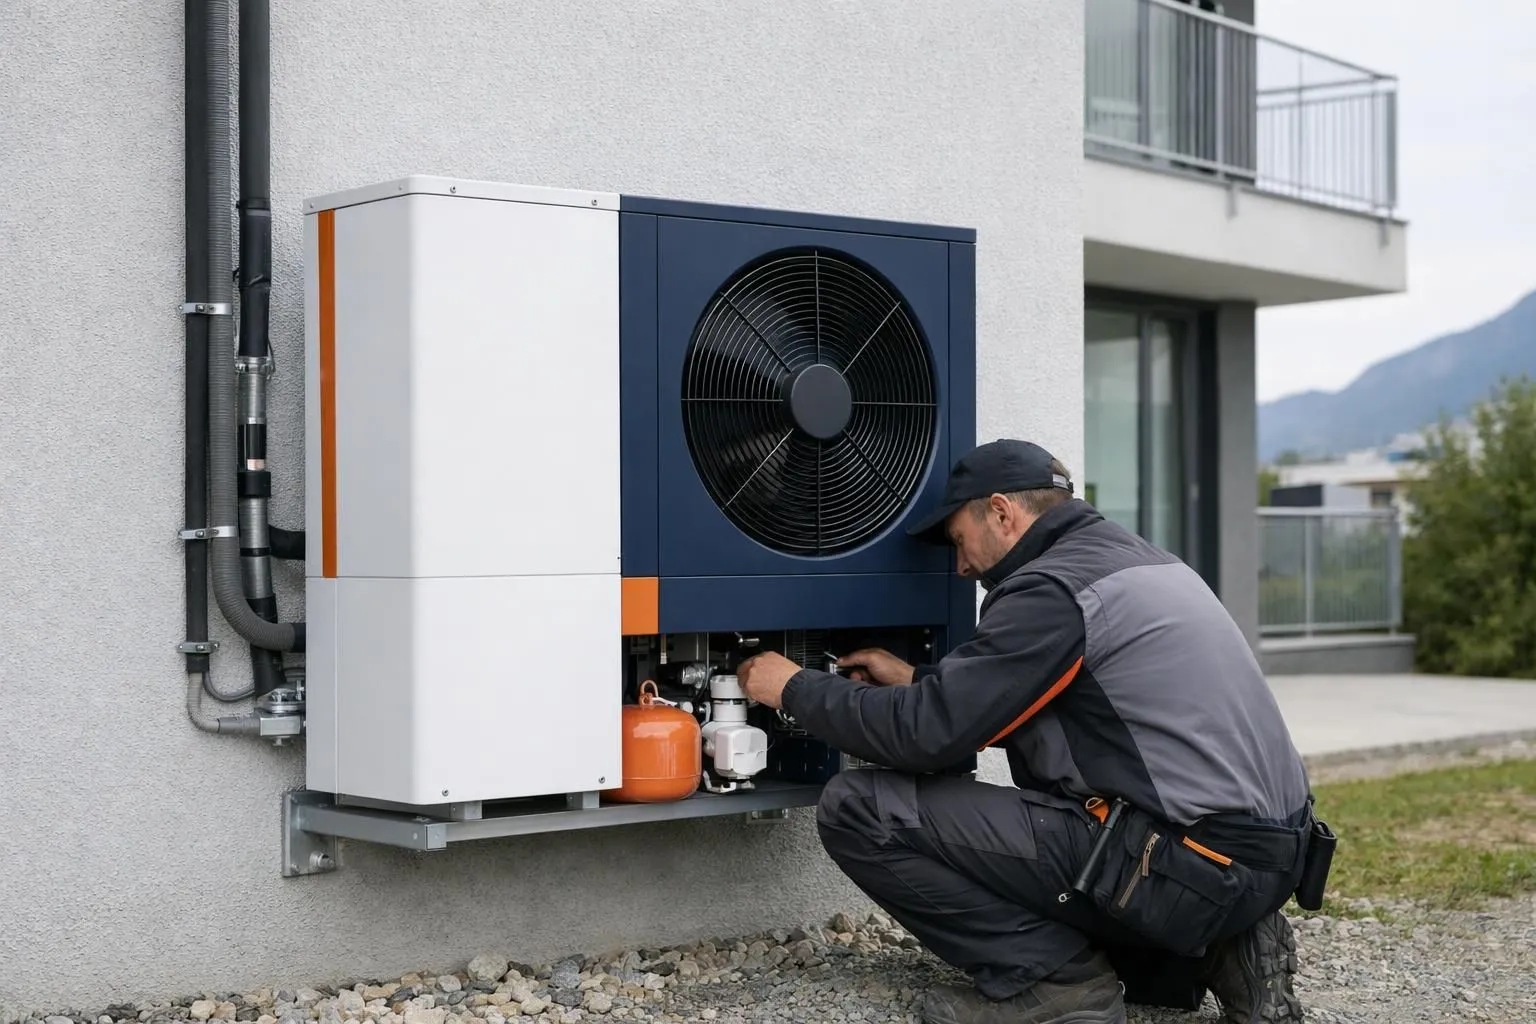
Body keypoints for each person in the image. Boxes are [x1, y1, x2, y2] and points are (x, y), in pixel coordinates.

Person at [737, 439, 1315, 1024]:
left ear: (1001, 512)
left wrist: (792, 687)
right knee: (1098, 834)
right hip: (1266, 859)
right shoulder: (1137, 560)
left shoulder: (1052, 589)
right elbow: (1066, 704)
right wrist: (920, 678)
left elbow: (926, 736)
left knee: (858, 809)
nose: (960, 567)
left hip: (1193, 868)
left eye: (959, 541)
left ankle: (1057, 984)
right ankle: (1235, 948)